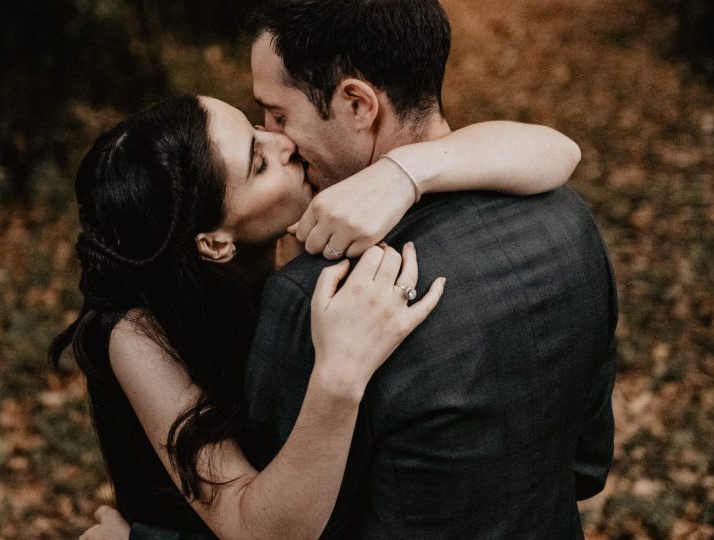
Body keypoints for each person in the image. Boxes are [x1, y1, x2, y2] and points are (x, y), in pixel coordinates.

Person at [58, 89, 582, 539]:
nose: (283, 143)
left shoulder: (320, 215)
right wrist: (340, 373)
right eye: (258, 164)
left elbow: (557, 151)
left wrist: (406, 174)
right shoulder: (133, 333)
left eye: (256, 127)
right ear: (214, 243)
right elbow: (253, 528)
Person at [240, 0, 615, 538]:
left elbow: (277, 523)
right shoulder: (569, 221)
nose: (274, 138)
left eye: (279, 115)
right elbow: (586, 466)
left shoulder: (318, 295)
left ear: (357, 104)